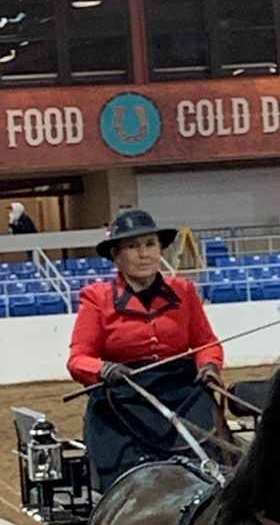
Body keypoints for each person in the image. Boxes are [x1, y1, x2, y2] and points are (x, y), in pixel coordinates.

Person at [67, 208, 224, 492]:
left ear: (160, 249)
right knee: (127, 486)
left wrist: (209, 365)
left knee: (218, 469)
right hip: (123, 399)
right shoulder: (96, 298)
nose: (144, 254)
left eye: (150, 245)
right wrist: (104, 369)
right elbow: (78, 359)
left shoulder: (184, 291)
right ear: (116, 256)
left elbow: (206, 343)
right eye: (132, 247)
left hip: (183, 397)